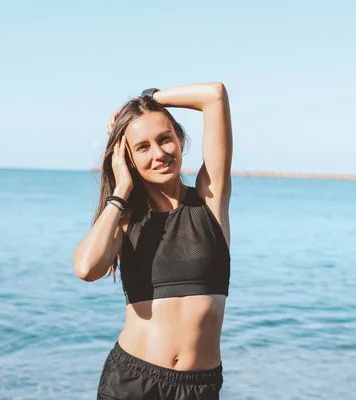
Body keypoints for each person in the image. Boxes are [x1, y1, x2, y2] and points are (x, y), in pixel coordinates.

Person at [73, 82, 233, 400]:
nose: (159, 154)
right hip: (131, 381)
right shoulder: (124, 218)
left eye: (164, 139)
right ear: (128, 158)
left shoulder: (210, 198)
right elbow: (86, 269)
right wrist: (120, 192)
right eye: (142, 147)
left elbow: (214, 95)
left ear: (179, 139)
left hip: (198, 388)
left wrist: (147, 102)